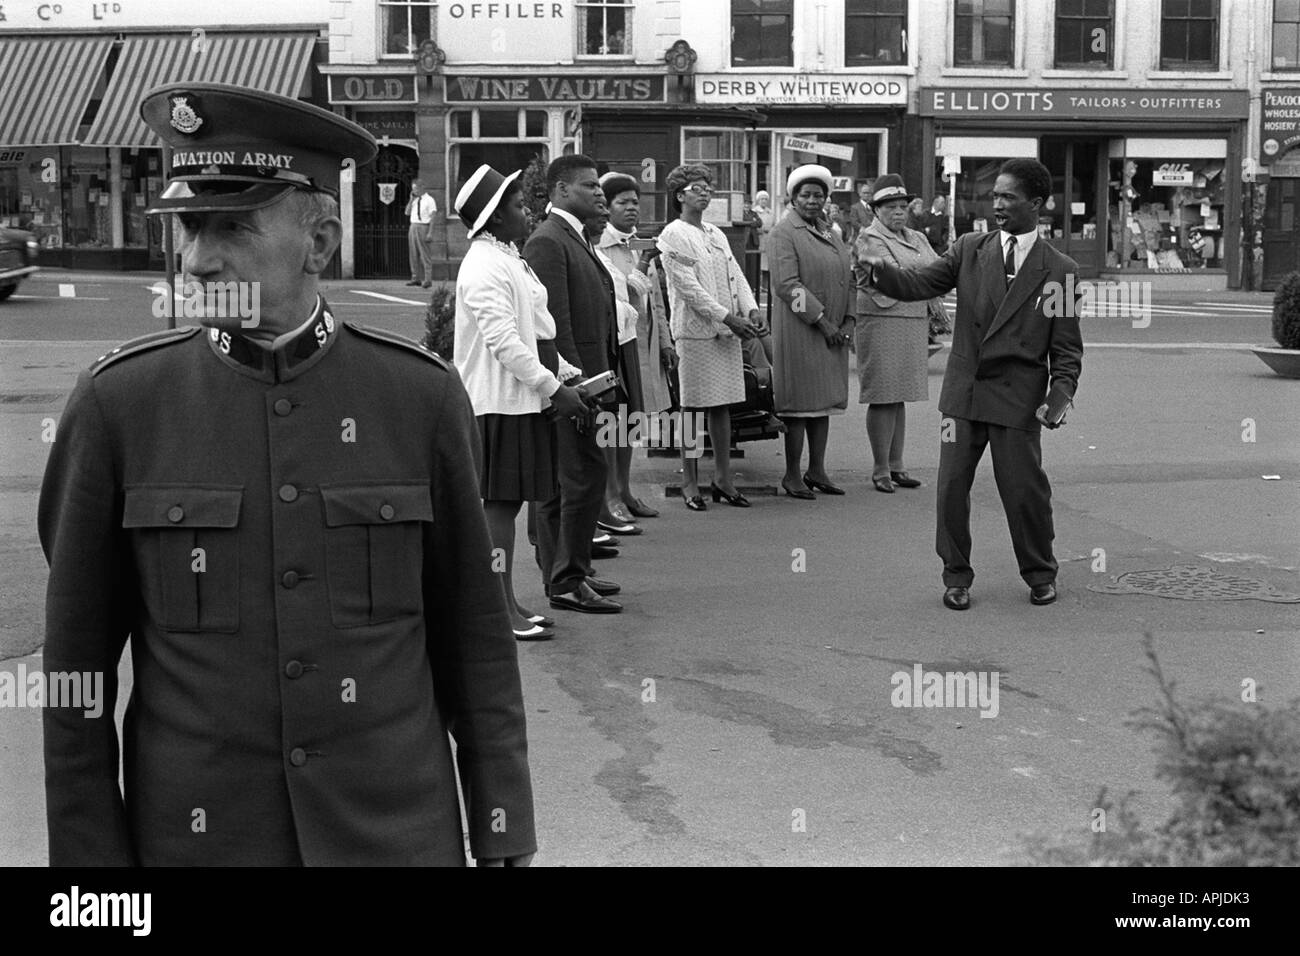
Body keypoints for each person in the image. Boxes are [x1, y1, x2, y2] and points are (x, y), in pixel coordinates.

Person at [38, 83, 536, 865]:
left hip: (392, 834)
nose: (198, 259)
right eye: (191, 228)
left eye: (231, 227)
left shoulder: (419, 398)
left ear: (322, 241)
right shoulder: (121, 407)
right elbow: (74, 677)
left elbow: (472, 634)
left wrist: (501, 815)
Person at [858, 158, 1083, 612]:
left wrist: (1058, 399)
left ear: (1036, 204)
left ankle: (1040, 572)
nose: (997, 205)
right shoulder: (968, 249)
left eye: (1008, 197)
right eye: (995, 196)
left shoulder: (1059, 269)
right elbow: (922, 283)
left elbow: (1066, 348)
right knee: (951, 488)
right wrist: (880, 270)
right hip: (965, 394)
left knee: (1025, 492)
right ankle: (955, 576)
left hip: (1017, 400)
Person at [452, 164, 593, 642]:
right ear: (492, 217)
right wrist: (553, 388)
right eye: (514, 205)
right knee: (500, 508)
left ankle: (507, 601)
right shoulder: (484, 265)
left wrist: (568, 376)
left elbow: (537, 330)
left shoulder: (507, 256)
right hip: (499, 403)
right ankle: (497, 611)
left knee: (506, 508)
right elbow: (505, 343)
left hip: (520, 400)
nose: (524, 210)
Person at [523, 155, 624, 614]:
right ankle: (565, 581)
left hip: (590, 379)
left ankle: (571, 571)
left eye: (599, 186)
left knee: (579, 478)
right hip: (574, 384)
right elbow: (553, 325)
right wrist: (576, 384)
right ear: (560, 191)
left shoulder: (573, 236)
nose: (599, 194)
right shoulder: (548, 241)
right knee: (577, 480)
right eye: (589, 186)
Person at [657, 164, 760, 511]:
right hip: (695, 334)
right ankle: (689, 481)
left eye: (707, 186)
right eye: (696, 187)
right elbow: (689, 289)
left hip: (726, 331)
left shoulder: (715, 233)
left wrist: (751, 310)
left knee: (722, 406)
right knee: (691, 407)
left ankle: (722, 477)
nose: (705, 192)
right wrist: (727, 317)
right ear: (680, 195)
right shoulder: (674, 235)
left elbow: (736, 274)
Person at [854, 174, 947, 495]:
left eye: (902, 206)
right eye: (890, 206)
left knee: (900, 395)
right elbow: (892, 274)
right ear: (875, 209)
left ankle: (897, 465)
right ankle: (880, 469)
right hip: (881, 318)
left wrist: (927, 278)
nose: (898, 212)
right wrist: (926, 278)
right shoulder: (868, 239)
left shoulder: (918, 237)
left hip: (910, 319)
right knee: (882, 395)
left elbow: (940, 269)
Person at [767, 164, 853, 500]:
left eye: (819, 195)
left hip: (833, 332)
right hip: (802, 332)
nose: (813, 200)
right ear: (793, 198)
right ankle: (791, 474)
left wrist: (848, 319)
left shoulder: (832, 233)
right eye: (806, 195)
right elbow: (787, 286)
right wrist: (823, 321)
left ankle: (817, 469)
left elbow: (850, 278)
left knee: (823, 404)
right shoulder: (782, 233)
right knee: (800, 406)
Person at [596, 171, 668, 521]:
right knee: (612, 421)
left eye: (635, 202)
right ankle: (610, 496)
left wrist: (666, 341)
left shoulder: (639, 242)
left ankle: (625, 490)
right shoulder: (600, 246)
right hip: (615, 344)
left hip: (642, 344)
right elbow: (622, 294)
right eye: (622, 202)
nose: (631, 209)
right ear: (606, 207)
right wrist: (642, 262)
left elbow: (654, 303)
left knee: (631, 422)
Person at [406, 179, 438, 288]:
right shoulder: (414, 200)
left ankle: (428, 279)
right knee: (413, 254)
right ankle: (415, 277)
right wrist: (411, 200)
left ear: (421, 187)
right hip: (413, 226)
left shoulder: (430, 200)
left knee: (425, 254)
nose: (414, 191)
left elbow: (433, 217)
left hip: (423, 226)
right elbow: (407, 212)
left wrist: (430, 233)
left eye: (415, 188)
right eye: (413, 188)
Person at [847, 180, 876, 246]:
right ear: (860, 194)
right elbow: (854, 222)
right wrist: (864, 229)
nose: (866, 195)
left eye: (868, 193)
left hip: (873, 239)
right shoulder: (855, 207)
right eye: (864, 193)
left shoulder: (874, 207)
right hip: (860, 239)